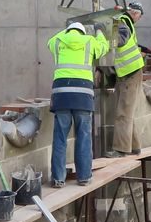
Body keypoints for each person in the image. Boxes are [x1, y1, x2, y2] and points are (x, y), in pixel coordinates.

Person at [46, 20, 109, 184]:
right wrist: (99, 31)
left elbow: (50, 42)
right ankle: (84, 177)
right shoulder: (90, 41)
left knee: (60, 137)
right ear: (83, 32)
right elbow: (104, 47)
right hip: (83, 95)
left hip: (61, 94)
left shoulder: (58, 41)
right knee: (84, 136)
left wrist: (67, 32)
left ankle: (58, 179)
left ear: (68, 31)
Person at [104, 1, 146, 156]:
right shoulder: (124, 21)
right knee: (126, 112)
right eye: (139, 16)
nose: (139, 20)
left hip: (130, 72)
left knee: (123, 113)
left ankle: (121, 149)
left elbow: (120, 41)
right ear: (135, 13)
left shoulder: (122, 21)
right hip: (128, 72)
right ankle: (134, 147)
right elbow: (121, 40)